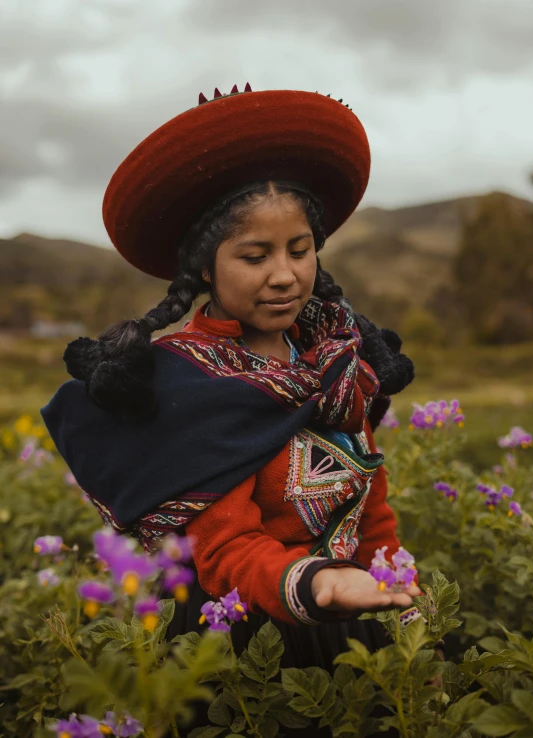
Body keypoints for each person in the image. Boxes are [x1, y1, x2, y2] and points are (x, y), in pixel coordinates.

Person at [41, 85, 418, 734]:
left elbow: (366, 490)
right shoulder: (186, 386)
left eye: (299, 250)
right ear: (203, 266)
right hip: (243, 641)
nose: (284, 275)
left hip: (350, 620)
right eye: (254, 256)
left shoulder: (336, 357)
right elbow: (223, 546)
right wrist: (317, 583)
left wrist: (397, 590)